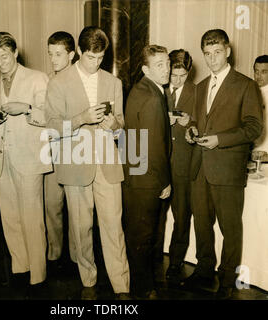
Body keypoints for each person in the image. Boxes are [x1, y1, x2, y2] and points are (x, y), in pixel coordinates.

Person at [45, 26, 130, 300]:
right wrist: (82, 117)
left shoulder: (113, 82)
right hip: (75, 164)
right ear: (79, 51)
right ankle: (89, 282)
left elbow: (122, 124)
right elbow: (52, 126)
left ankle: (122, 287)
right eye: (91, 57)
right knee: (82, 230)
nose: (96, 63)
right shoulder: (58, 83)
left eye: (101, 58)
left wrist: (114, 124)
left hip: (107, 164)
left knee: (114, 227)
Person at [183, 29, 263, 299]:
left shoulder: (246, 85)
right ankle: (204, 269)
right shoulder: (201, 85)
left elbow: (254, 128)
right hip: (200, 167)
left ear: (228, 51)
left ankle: (228, 279)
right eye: (207, 54)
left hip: (228, 169)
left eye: (217, 53)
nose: (212, 59)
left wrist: (221, 139)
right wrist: (191, 129)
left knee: (230, 227)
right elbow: (196, 119)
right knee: (202, 224)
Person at [0, 32, 52, 297]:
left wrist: (26, 108)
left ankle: (38, 276)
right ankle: (20, 269)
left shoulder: (37, 78)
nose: (0, 62)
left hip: (29, 157)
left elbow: (50, 116)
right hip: (4, 160)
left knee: (32, 218)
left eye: (4, 56)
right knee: (10, 219)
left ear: (15, 52)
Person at [123, 44, 171, 299]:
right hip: (148, 178)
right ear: (146, 69)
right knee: (145, 239)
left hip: (135, 175)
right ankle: (144, 291)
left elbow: (134, 137)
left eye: (167, 63)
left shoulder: (140, 89)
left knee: (137, 237)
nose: (167, 70)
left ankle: (140, 287)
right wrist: (164, 181)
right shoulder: (153, 97)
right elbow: (155, 147)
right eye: (160, 65)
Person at [44, 31, 77, 267]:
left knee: (77, 209)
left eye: (58, 54)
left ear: (72, 55)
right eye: (50, 54)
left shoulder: (81, 81)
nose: (53, 59)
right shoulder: (47, 80)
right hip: (52, 151)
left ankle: (77, 255)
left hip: (76, 151)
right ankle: (54, 253)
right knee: (52, 204)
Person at [165, 49, 195, 283]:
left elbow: (204, 126)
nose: (176, 80)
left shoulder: (197, 92)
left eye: (182, 76)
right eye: (173, 75)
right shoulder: (158, 91)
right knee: (156, 215)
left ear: (188, 73)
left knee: (182, 216)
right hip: (161, 164)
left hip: (184, 166)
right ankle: (155, 258)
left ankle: (175, 262)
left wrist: (189, 123)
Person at [253, 55, 268, 152]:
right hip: (252, 150)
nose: (258, 76)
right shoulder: (250, 91)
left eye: (264, 72)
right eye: (256, 71)